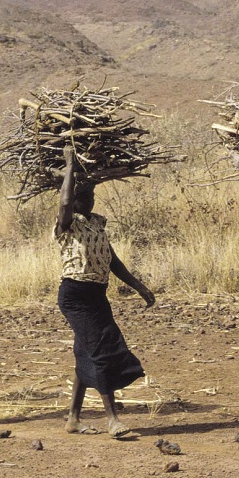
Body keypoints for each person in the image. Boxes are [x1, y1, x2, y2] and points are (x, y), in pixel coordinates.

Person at [54, 147, 155, 439]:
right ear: (72, 199)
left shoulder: (97, 224)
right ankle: (113, 420)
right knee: (101, 350)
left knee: (85, 352)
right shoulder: (66, 224)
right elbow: (63, 201)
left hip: (97, 294)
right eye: (82, 197)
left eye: (91, 197)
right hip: (75, 295)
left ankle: (73, 418)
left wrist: (139, 286)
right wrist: (70, 165)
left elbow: (112, 260)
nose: (88, 202)